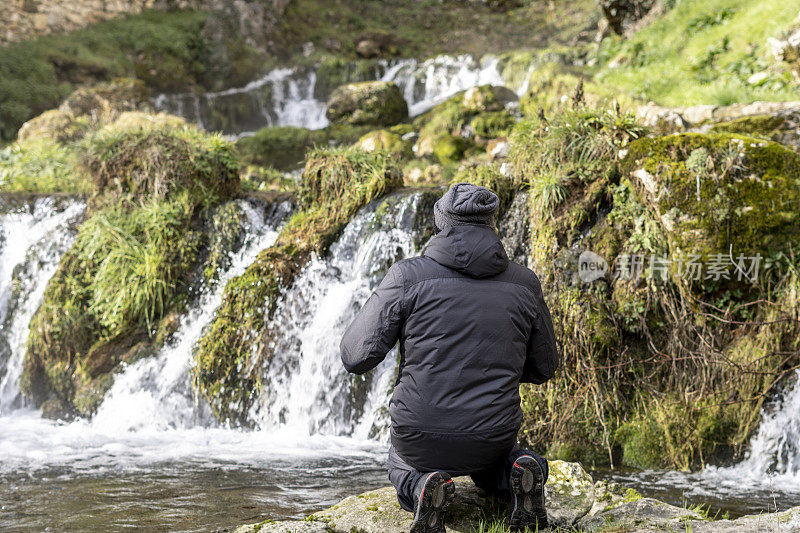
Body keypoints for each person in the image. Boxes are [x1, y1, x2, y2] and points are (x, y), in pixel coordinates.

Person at [340, 183, 560, 532]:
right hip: (492, 435)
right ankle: (524, 467)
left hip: (418, 436)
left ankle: (423, 486)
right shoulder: (524, 282)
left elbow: (355, 356)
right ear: (491, 224)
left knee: (401, 464)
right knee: (495, 469)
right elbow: (544, 367)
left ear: (441, 224)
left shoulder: (407, 276)